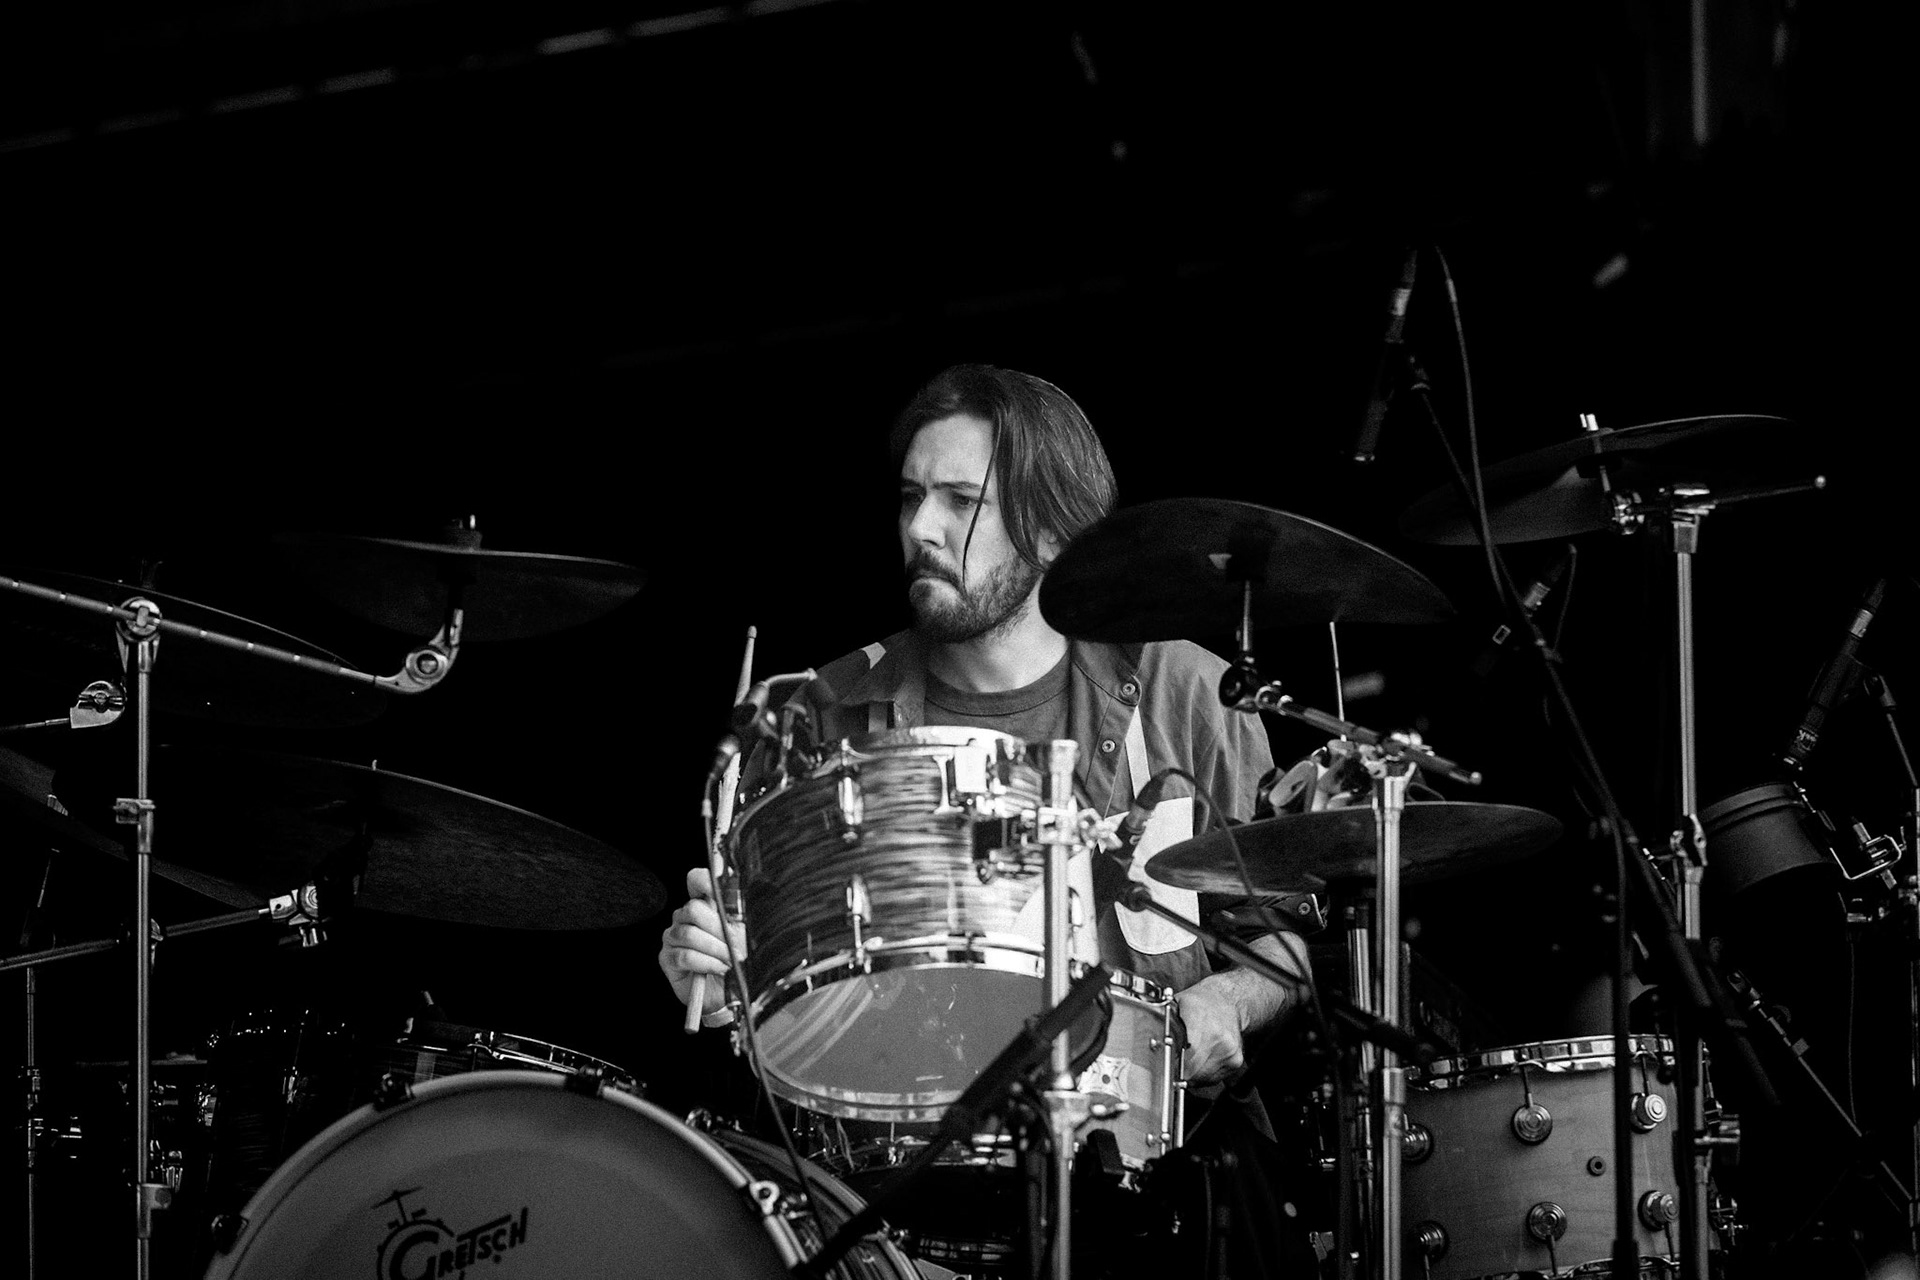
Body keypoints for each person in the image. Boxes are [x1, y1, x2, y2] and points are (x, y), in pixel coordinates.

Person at [656, 363, 1318, 1275]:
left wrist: (1225, 1003)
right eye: (910, 497)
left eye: (961, 501)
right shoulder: (814, 715)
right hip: (893, 1203)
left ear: (1053, 527)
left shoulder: (1185, 688)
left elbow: (1281, 946)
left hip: (1160, 1181)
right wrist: (735, 979)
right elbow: (778, 1024)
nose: (920, 529)